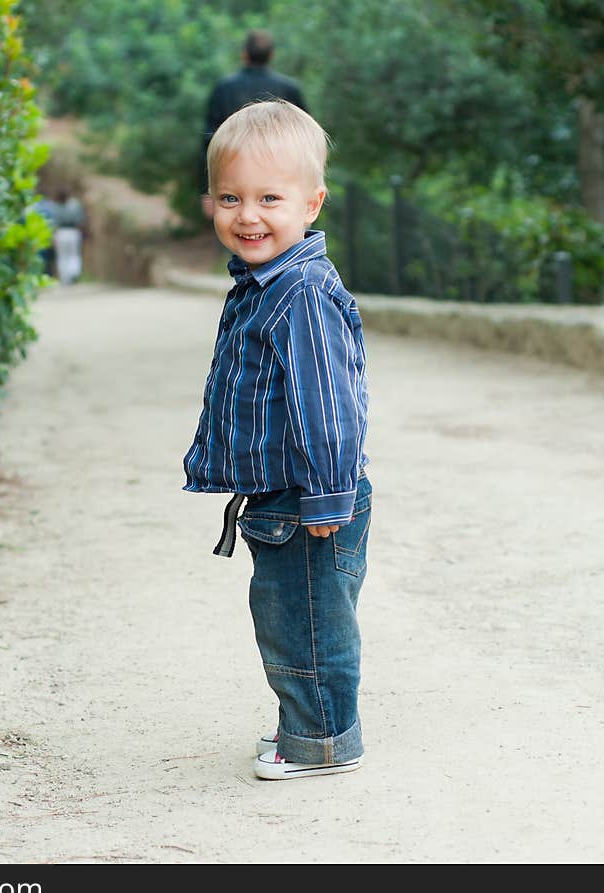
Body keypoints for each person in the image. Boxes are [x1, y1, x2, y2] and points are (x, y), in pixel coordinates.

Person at [182, 100, 371, 780]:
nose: (247, 215)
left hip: (307, 496)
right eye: (230, 198)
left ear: (311, 204)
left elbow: (329, 407)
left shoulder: (301, 294)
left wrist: (326, 494)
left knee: (309, 623)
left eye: (269, 198)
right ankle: (307, 725)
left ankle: (321, 742)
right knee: (288, 613)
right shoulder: (263, 285)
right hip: (282, 495)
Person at [199, 30, 307, 219]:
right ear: (272, 55)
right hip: (283, 184)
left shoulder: (223, 88)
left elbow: (209, 141)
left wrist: (207, 191)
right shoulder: (290, 89)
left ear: (244, 55)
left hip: (234, 183)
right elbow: (306, 142)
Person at [52, 187, 87, 285]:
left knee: (62, 256)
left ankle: (65, 278)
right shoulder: (75, 205)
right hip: (73, 232)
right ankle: (74, 273)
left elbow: (53, 223)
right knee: (74, 254)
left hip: (61, 233)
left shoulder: (55, 207)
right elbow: (81, 220)